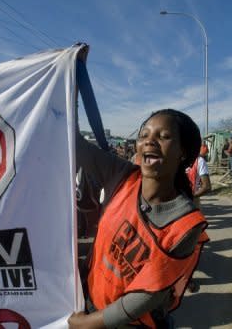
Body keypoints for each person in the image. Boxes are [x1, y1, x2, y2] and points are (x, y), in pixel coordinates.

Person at [69, 109, 209, 329]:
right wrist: (71, 87)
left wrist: (91, 323)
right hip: (89, 303)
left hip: (131, 323)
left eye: (163, 136)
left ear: (182, 152)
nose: (149, 142)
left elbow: (147, 296)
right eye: (144, 135)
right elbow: (76, 144)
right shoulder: (120, 175)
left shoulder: (185, 224)